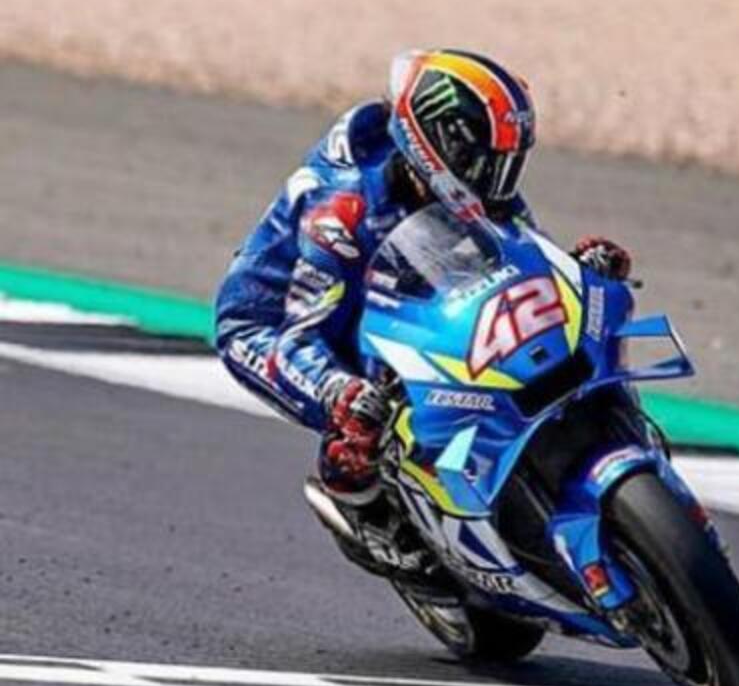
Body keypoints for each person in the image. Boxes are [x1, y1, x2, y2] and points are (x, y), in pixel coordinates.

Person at [215, 51, 632, 589]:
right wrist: (338, 390)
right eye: (485, 160)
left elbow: (517, 253)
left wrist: (577, 272)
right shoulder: (340, 212)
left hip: (391, 284)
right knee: (365, 418)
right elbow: (303, 334)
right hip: (278, 326)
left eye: (507, 161)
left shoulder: (458, 178)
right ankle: (378, 525)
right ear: (436, 144)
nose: (498, 177)